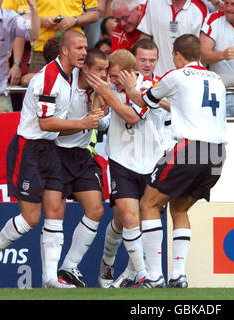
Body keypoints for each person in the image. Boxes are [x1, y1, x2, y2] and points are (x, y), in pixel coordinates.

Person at [0, 30, 102, 289]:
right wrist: (83, 124)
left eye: (85, 47)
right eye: (78, 48)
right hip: (30, 149)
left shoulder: (73, 75)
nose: (83, 52)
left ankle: (49, 278)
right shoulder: (48, 78)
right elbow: (45, 123)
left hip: (52, 150)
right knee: (31, 218)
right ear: (64, 51)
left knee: (56, 210)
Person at [116, 34, 227, 288]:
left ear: (176, 54)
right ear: (199, 54)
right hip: (217, 153)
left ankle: (154, 277)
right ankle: (179, 276)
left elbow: (144, 102)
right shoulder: (217, 79)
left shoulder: (176, 76)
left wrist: (131, 89)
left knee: (148, 204)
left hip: (190, 147)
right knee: (179, 208)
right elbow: (182, 108)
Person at [87, 46, 174, 288]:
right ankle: (142, 275)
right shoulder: (111, 89)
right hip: (121, 160)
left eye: (115, 76)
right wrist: (98, 99)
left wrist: (110, 93)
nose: (112, 81)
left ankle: (126, 271)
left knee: (124, 222)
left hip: (152, 162)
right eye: (110, 76)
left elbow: (132, 116)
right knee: (127, 216)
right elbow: (103, 122)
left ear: (128, 72)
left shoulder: (149, 89)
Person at [55, 48, 110, 288]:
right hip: (56, 154)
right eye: (98, 69)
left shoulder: (97, 91)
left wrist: (100, 95)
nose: (103, 74)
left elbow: (98, 120)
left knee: (96, 209)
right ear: (84, 68)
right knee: (36, 217)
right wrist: (83, 123)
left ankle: (68, 267)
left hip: (81, 156)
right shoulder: (64, 86)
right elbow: (51, 127)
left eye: (106, 70)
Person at [136, 0, 208, 77]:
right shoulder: (152, 2)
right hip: (157, 77)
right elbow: (144, 39)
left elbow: (200, 50)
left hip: (185, 79)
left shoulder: (201, 9)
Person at [28, 0, 99, 72]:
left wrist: (74, 20)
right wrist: (41, 21)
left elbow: (95, 14)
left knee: (72, 82)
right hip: (41, 48)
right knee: (39, 81)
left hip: (74, 49)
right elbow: (20, 16)